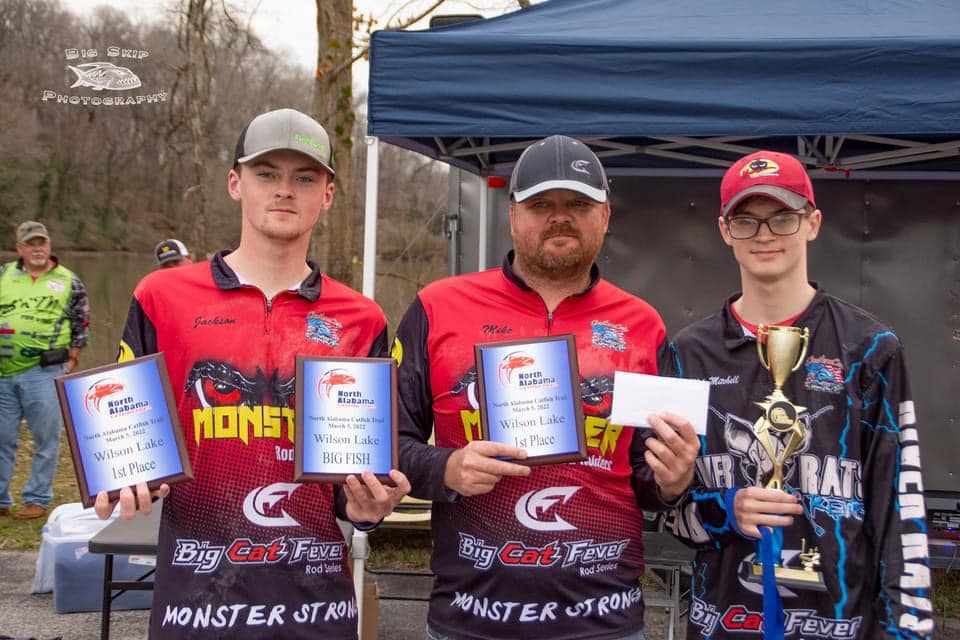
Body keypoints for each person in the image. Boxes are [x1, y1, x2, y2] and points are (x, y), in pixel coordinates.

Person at [97, 108, 411, 639]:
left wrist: (367, 509)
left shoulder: (362, 317)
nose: (284, 190)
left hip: (316, 608)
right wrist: (122, 475)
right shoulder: (160, 296)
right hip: (194, 604)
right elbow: (127, 437)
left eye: (304, 178)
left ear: (327, 195)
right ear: (235, 183)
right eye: (267, 174)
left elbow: (357, 480)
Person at [395, 135, 700, 640]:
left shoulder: (641, 324)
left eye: (579, 204)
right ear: (513, 214)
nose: (560, 217)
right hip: (471, 619)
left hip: (606, 621)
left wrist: (673, 480)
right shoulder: (437, 306)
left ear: (605, 216)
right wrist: (446, 467)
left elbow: (648, 481)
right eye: (541, 204)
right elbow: (386, 443)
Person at [666, 150, 933, 638]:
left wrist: (907, 632)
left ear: (813, 223)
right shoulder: (688, 353)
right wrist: (726, 509)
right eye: (746, 220)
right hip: (723, 624)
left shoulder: (871, 348)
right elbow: (670, 515)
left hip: (840, 626)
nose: (765, 235)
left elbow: (901, 515)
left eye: (782, 218)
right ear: (724, 230)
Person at [0, 221, 89, 520]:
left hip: (45, 370)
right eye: (31, 243)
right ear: (20, 249)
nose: (38, 248)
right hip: (3, 371)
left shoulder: (69, 280)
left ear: (49, 246)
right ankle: (1, 499)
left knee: (46, 438)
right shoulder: (4, 275)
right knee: (2, 437)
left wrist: (73, 357)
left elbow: (81, 321)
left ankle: (36, 498)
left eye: (42, 242)